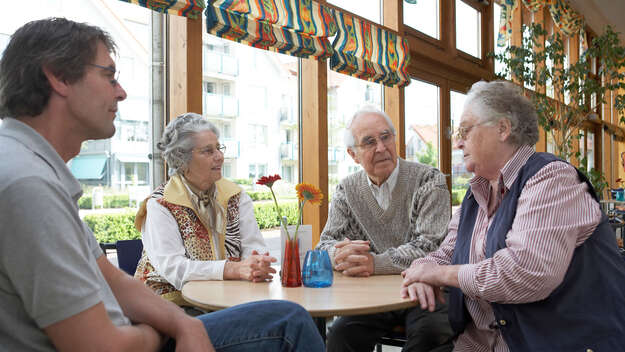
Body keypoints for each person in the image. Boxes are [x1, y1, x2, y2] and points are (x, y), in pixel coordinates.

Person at [0, 17, 324, 352]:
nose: (121, 92)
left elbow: (113, 279)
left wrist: (181, 325)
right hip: (139, 336)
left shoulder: (31, 170)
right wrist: (162, 333)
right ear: (59, 77)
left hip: (157, 323)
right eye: (109, 76)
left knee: (285, 316)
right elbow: (104, 346)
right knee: (288, 322)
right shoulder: (28, 185)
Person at [401, 80, 625, 351]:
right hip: (478, 344)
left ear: (503, 128)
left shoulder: (551, 179)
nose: (458, 142)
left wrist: (439, 275)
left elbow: (526, 272)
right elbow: (444, 254)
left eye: (465, 130)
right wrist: (420, 271)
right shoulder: (476, 195)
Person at [316, 106, 454, 351]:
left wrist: (374, 263)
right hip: (373, 296)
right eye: (369, 142)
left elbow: (432, 245)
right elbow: (325, 243)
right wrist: (340, 254)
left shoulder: (428, 179)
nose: (381, 148)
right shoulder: (346, 190)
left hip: (424, 289)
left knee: (430, 334)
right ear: (353, 154)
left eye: (385, 137)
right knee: (339, 336)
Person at [134, 113, 275, 307]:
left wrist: (257, 263)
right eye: (208, 151)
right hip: (171, 306)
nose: (220, 156)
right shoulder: (160, 204)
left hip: (229, 299)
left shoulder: (236, 196)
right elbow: (175, 270)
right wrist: (232, 269)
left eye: (219, 148)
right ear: (182, 160)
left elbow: (254, 246)